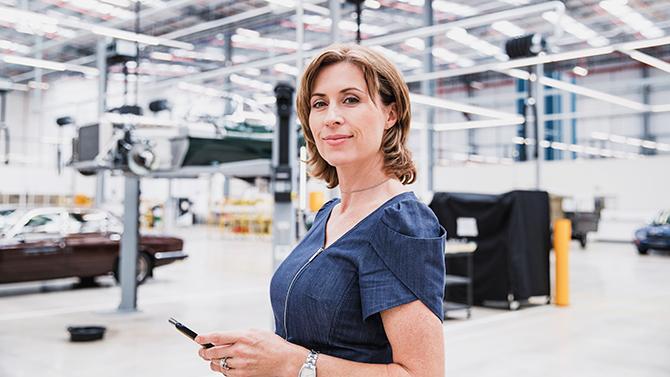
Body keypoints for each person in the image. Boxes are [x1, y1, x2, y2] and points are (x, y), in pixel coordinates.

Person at [196, 43, 446, 377]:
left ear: (391, 113)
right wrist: (259, 357)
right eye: (319, 104)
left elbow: (422, 374)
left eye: (351, 99)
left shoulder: (401, 223)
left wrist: (290, 363)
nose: (332, 117)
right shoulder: (329, 214)